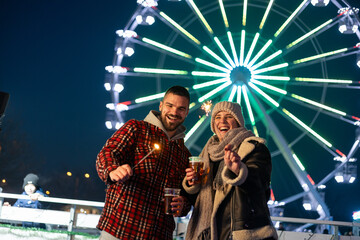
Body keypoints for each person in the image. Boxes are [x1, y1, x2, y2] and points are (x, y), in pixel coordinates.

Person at [96, 86, 192, 240]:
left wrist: (184, 205)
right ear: (161, 105)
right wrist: (113, 170)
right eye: (170, 106)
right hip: (120, 228)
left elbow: (187, 195)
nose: (174, 112)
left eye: (181, 109)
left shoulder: (185, 154)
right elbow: (108, 152)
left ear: (187, 112)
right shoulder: (136, 128)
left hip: (158, 234)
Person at [183, 101, 278, 240]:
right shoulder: (208, 153)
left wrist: (239, 169)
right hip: (208, 233)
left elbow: (259, 182)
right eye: (217, 117)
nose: (222, 121)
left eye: (228, 116)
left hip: (240, 233)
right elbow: (201, 198)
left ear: (238, 121)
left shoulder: (254, 148)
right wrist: (192, 182)